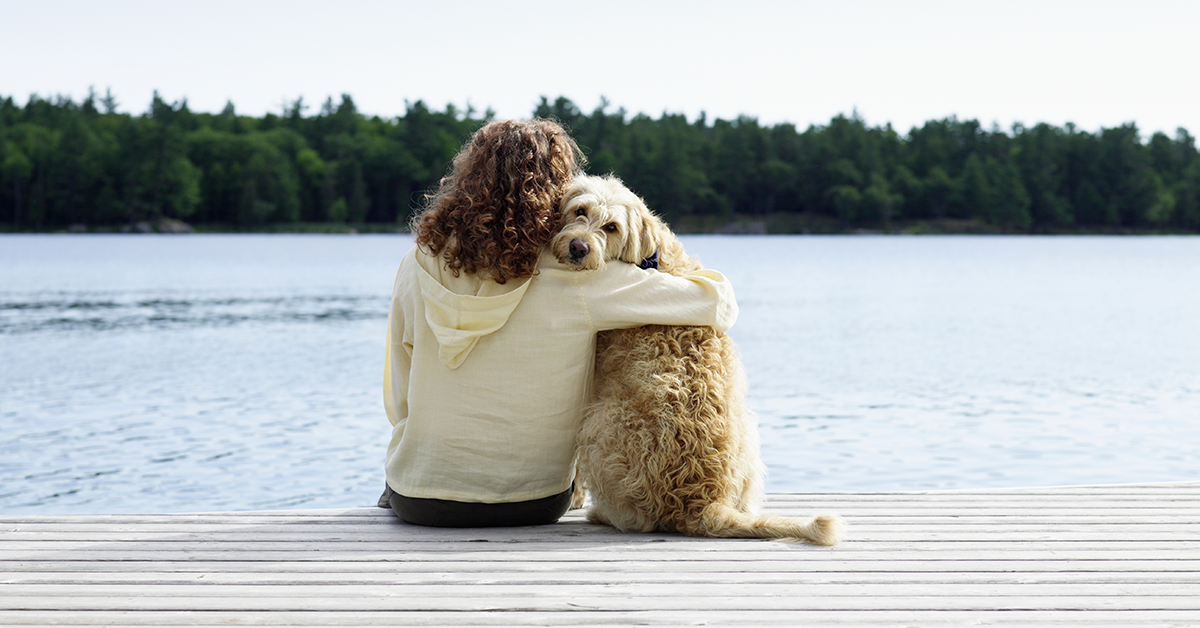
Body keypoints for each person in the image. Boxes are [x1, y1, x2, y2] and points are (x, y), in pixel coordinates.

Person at [379, 119, 738, 527]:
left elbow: (398, 396)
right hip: (534, 501)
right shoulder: (581, 278)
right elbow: (719, 304)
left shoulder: (415, 263)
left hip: (418, 499)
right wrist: (656, 251)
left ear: (465, 180)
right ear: (553, 194)